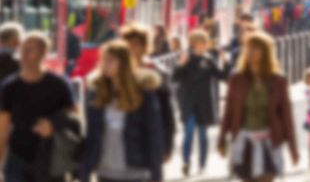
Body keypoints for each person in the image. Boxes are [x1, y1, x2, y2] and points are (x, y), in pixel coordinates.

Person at [218, 32, 299, 182]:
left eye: (255, 48)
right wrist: (222, 139)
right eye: (248, 48)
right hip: (244, 142)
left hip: (269, 142)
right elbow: (228, 111)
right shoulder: (236, 79)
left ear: (265, 52)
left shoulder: (278, 80)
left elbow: (286, 115)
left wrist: (293, 148)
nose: (250, 52)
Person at [80, 39, 164, 182]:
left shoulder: (143, 94)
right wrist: (84, 173)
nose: (104, 65)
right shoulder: (96, 93)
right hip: (106, 172)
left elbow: (153, 135)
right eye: (103, 60)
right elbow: (90, 135)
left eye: (110, 60)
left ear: (124, 63)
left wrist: (157, 175)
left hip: (137, 171)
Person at [0, 32, 77, 182]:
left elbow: (75, 120)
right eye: (22, 49)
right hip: (18, 159)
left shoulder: (59, 85)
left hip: (51, 159)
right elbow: (3, 129)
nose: (25, 54)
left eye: (31, 49)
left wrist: (53, 126)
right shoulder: (10, 87)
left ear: (44, 53)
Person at [173, 30, 229, 176]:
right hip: (188, 101)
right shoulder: (187, 58)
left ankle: (202, 164)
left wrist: (226, 61)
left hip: (204, 103)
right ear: (194, 44)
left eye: (205, 43)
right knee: (189, 131)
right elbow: (174, 78)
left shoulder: (209, 60)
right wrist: (180, 64)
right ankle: (186, 162)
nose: (204, 45)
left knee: (203, 135)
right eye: (200, 43)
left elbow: (223, 77)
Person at [119, 24, 176, 162]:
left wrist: (167, 146)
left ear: (145, 46)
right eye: (128, 44)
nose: (132, 48)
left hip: (147, 140)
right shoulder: (116, 71)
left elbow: (167, 114)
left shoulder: (155, 72)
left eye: (136, 44)